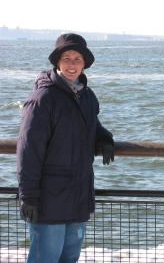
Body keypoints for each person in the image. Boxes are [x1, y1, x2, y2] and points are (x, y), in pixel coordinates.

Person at [16, 33, 114, 262]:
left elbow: (93, 125)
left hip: (78, 195)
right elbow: (29, 151)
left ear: (84, 64)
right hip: (49, 200)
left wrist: (105, 139)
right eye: (67, 58)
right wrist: (28, 196)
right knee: (45, 258)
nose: (72, 64)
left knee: (70, 258)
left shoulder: (87, 96)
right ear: (57, 62)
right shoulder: (43, 98)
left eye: (77, 59)